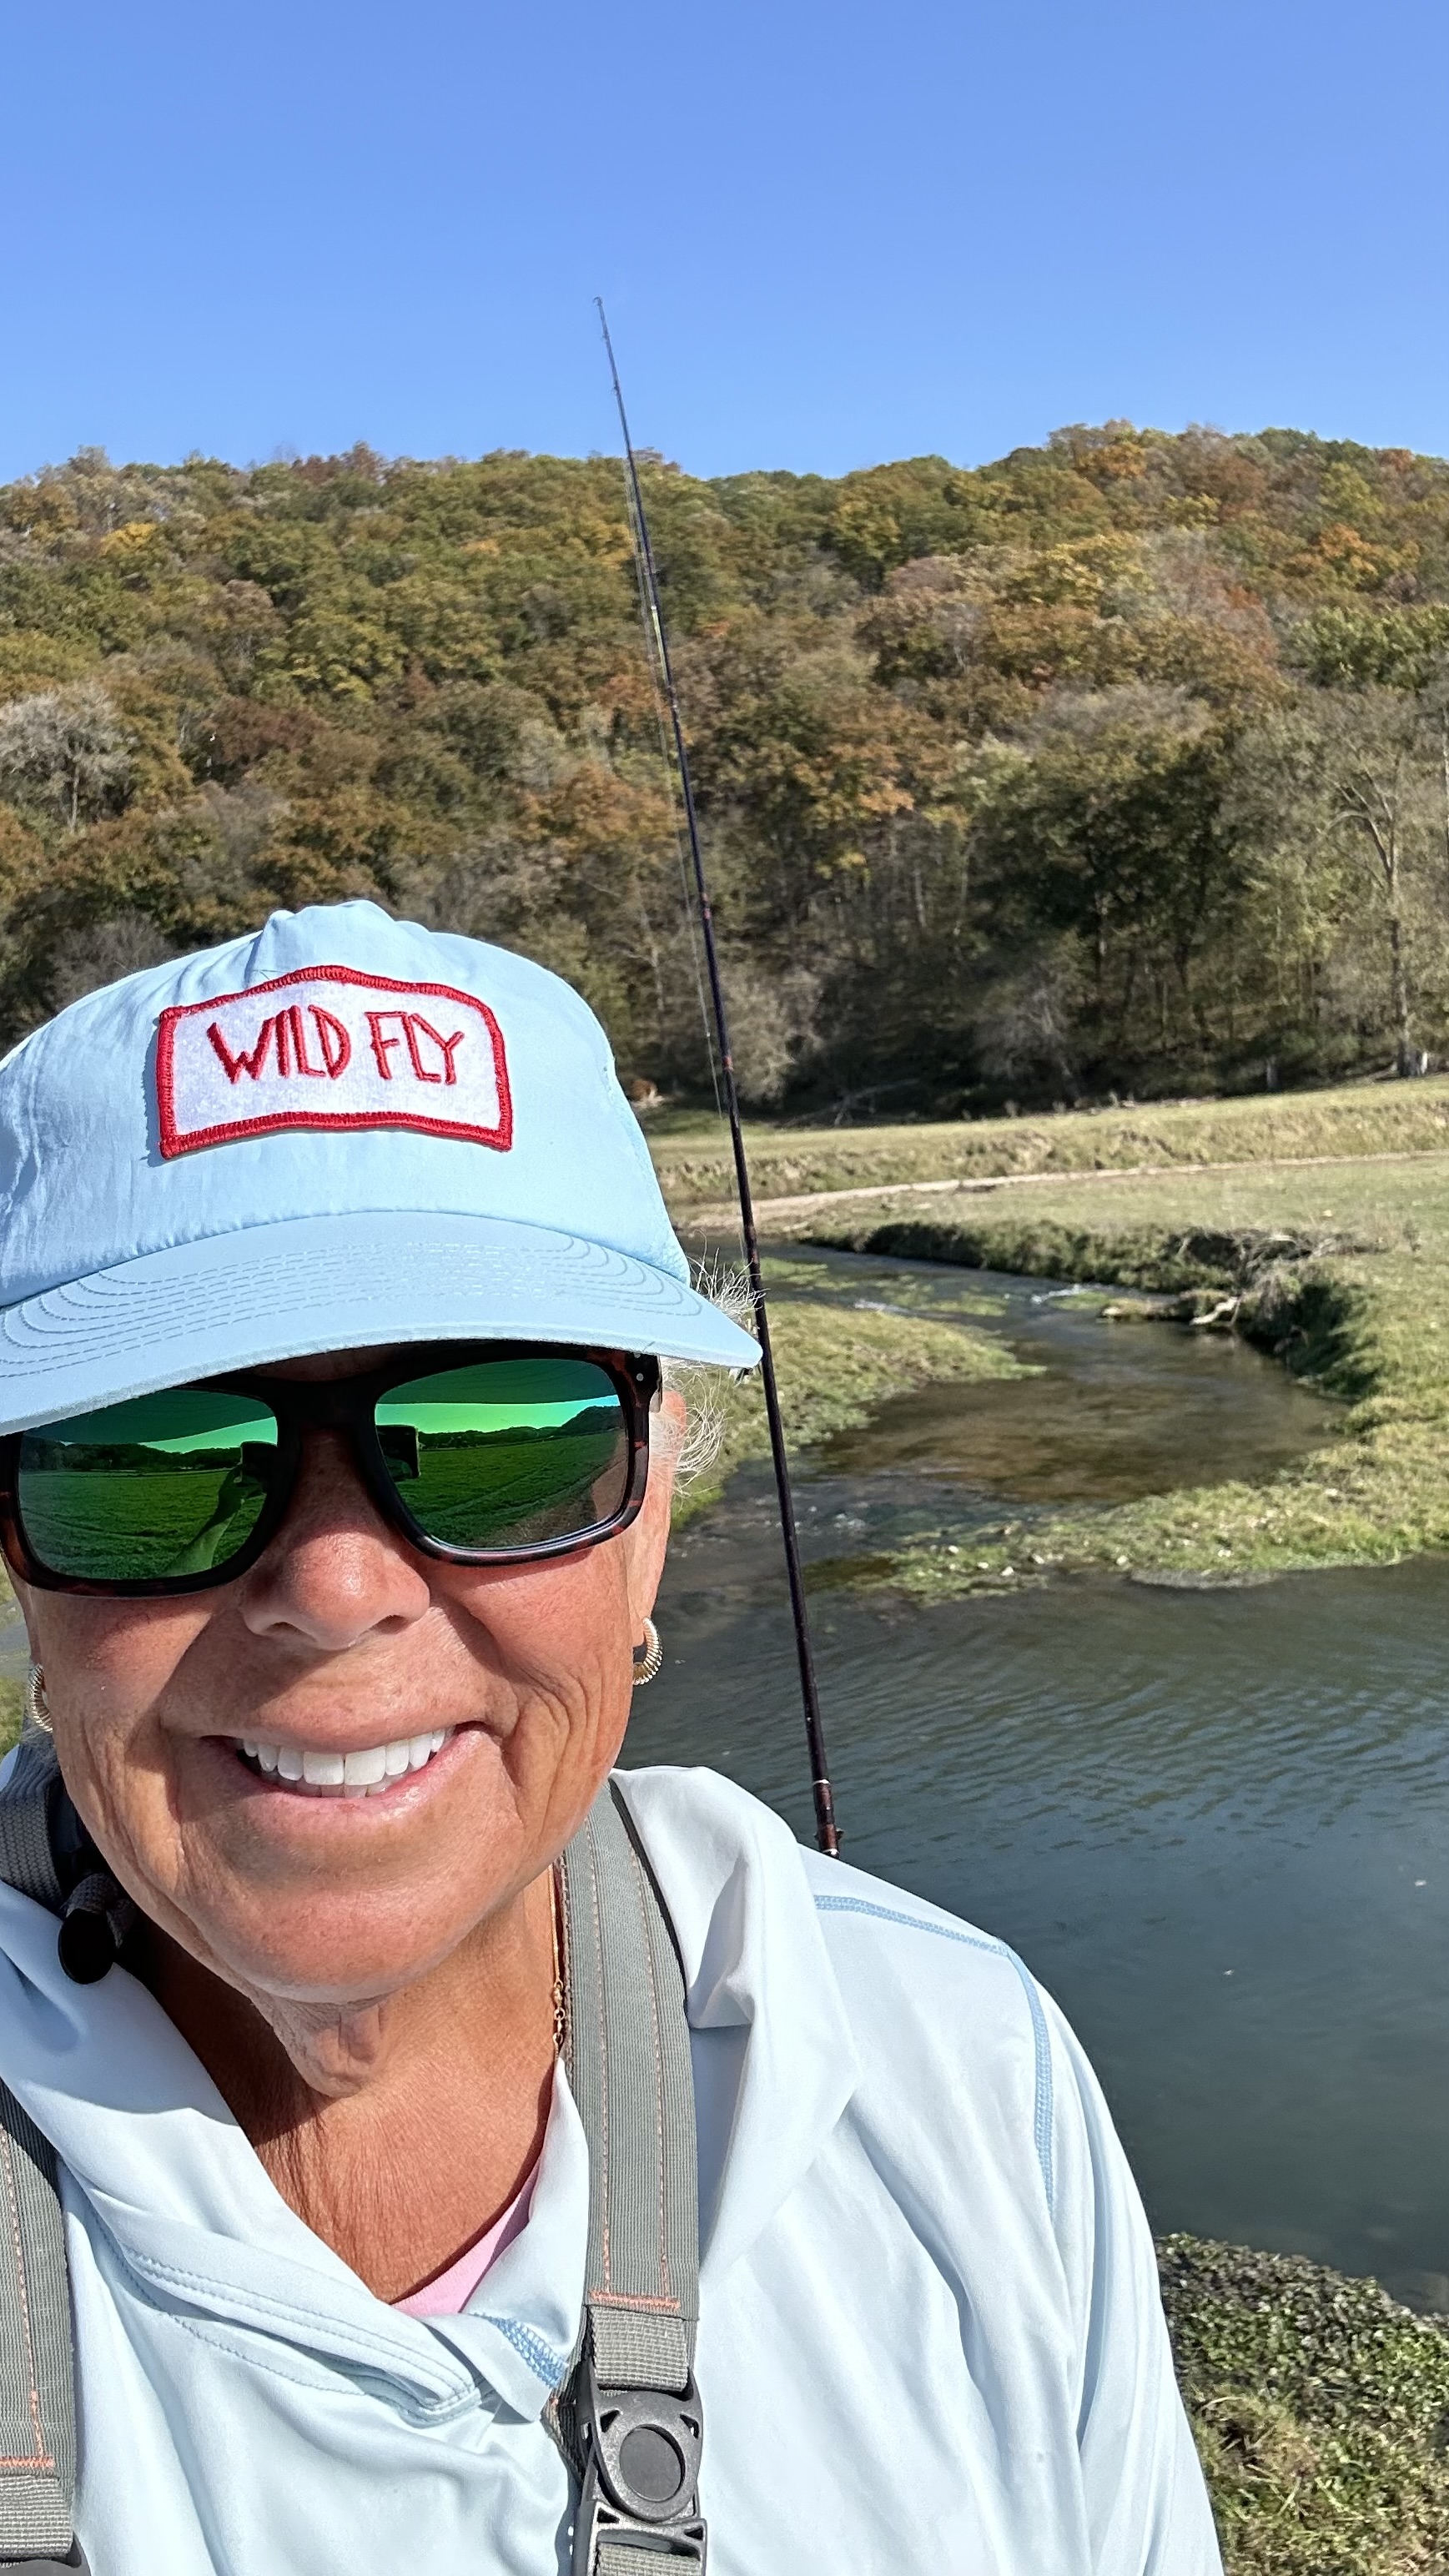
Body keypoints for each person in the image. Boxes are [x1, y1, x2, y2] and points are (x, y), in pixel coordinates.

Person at [0, 899, 1220, 2574]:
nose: (338, 1584)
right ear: (18, 1559)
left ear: (650, 1522)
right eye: (151, 1457)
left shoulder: (955, 2076)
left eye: (502, 1436)